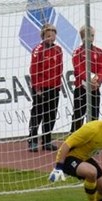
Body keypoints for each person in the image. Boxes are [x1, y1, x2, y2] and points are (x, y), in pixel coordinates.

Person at [27, 23, 63, 152]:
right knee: (37, 114)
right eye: (48, 35)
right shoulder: (38, 50)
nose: (51, 38)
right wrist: (37, 87)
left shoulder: (58, 50)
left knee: (51, 115)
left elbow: (60, 69)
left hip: (54, 88)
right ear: (43, 36)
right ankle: (32, 140)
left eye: (53, 35)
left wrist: (58, 85)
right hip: (41, 88)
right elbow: (34, 70)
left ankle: (47, 141)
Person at [70, 25, 102, 133]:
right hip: (81, 88)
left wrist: (97, 80)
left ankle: (92, 139)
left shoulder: (99, 51)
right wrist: (90, 79)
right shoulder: (77, 52)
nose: (92, 37)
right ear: (83, 37)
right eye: (89, 35)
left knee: (94, 114)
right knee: (78, 115)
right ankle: (74, 138)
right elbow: (79, 68)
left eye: (92, 35)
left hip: (95, 88)